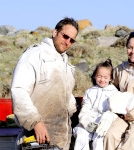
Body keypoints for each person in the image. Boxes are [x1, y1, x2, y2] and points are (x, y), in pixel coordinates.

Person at [11, 17, 79, 150]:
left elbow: (67, 97)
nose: (67, 42)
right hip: (36, 138)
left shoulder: (66, 64)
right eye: (65, 36)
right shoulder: (34, 56)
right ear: (55, 32)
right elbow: (19, 91)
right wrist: (35, 122)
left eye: (72, 40)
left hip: (61, 140)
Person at [73, 59, 118, 150]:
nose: (102, 80)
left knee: (100, 139)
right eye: (99, 76)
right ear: (94, 76)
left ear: (110, 78)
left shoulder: (114, 92)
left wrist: (105, 121)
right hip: (89, 121)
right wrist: (86, 122)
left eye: (105, 77)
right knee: (82, 135)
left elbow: (113, 110)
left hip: (103, 124)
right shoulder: (90, 92)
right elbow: (86, 108)